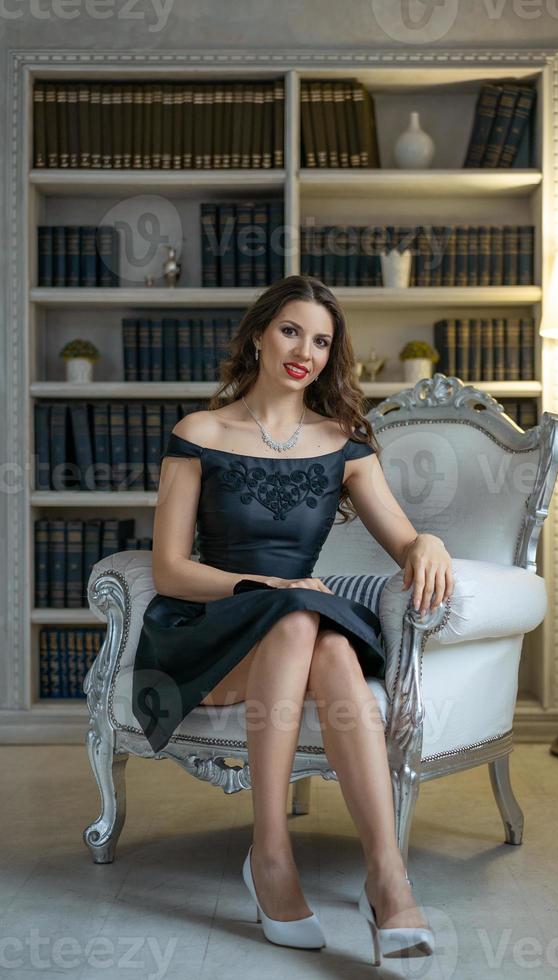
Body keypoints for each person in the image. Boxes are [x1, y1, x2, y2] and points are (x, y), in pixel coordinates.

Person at [131, 274, 453, 963]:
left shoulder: (344, 443)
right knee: (300, 619)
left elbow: (401, 538)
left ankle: (386, 876)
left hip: (294, 628)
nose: (304, 349)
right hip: (208, 634)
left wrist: (428, 542)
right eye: (290, 330)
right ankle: (271, 853)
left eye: (321, 340)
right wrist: (267, 583)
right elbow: (168, 570)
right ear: (257, 334)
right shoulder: (199, 433)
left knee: (323, 640)